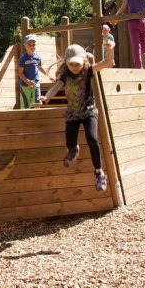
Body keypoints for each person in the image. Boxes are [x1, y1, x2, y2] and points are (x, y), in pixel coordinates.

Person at [39, 40, 114, 191]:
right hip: (73, 112)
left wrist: (110, 49)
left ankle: (98, 172)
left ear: (83, 62)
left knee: (92, 139)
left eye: (77, 64)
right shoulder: (65, 76)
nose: (74, 67)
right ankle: (73, 150)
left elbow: (107, 62)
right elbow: (55, 88)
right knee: (70, 141)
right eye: (71, 64)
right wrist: (47, 97)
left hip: (88, 111)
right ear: (66, 63)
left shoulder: (89, 71)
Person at [112, 0, 145, 69]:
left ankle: (139, 70)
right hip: (144, 22)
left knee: (136, 48)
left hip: (133, 23)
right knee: (144, 47)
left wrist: (115, 17)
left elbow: (122, 8)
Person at [18, 34, 54, 109]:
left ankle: (37, 120)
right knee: (25, 106)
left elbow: (40, 67)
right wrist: (28, 82)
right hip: (25, 85)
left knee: (37, 103)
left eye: (33, 45)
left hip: (35, 83)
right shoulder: (23, 58)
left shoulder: (37, 57)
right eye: (29, 45)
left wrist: (49, 77)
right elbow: (20, 73)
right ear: (25, 45)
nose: (32, 47)